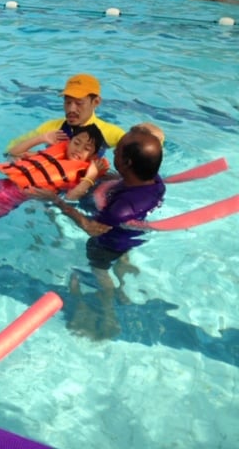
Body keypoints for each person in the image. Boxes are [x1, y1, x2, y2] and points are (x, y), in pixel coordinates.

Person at [31, 125, 165, 340]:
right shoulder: (155, 182)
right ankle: (123, 277)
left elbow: (92, 228)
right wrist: (119, 177)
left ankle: (108, 305)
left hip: (106, 244)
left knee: (100, 270)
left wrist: (57, 201)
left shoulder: (122, 207)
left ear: (128, 162)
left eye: (118, 150)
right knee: (122, 251)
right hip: (127, 237)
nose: (113, 152)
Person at [0, 124, 108, 241]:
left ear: (93, 157)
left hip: (9, 200)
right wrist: (42, 138)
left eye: (86, 148)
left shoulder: (80, 175)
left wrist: (91, 176)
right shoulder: (51, 156)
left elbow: (71, 196)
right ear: (69, 141)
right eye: (76, 142)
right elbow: (14, 152)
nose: (78, 149)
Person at [6, 74, 125, 155]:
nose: (71, 109)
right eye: (67, 102)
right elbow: (10, 151)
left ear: (96, 102)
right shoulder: (51, 128)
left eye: (79, 103)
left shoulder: (111, 133)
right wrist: (40, 142)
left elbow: (138, 158)